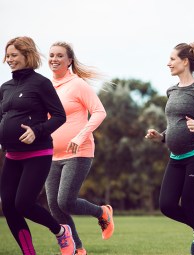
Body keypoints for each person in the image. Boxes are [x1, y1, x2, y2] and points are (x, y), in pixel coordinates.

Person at [0, 36, 75, 255]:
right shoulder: (5, 88)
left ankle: (61, 231)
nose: (10, 59)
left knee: (23, 203)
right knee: (9, 208)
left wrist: (37, 131)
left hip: (37, 153)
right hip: (12, 155)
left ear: (27, 56)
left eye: (14, 55)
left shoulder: (41, 83)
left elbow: (60, 116)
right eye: (8, 55)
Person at [145, 42, 194, 255]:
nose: (168, 63)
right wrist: (161, 136)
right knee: (166, 205)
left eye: (172, 59)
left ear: (185, 62)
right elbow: (174, 125)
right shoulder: (171, 90)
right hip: (176, 157)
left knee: (189, 205)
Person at [45, 41, 114, 255]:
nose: (54, 59)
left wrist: (80, 135)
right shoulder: (46, 87)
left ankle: (102, 213)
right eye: (51, 55)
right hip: (51, 155)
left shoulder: (78, 84)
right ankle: (77, 249)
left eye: (59, 56)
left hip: (78, 152)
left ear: (69, 61)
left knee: (65, 201)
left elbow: (99, 111)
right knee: (55, 207)